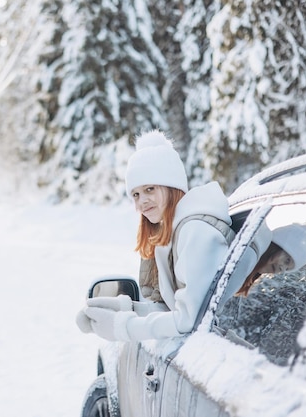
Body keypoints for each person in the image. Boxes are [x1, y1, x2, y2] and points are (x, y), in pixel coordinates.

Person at [76, 130, 233, 341]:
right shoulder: (167, 235)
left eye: (150, 189)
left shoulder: (196, 232)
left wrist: (123, 326)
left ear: (172, 187)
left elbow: (189, 321)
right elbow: (172, 311)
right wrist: (123, 309)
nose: (142, 201)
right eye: (136, 194)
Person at [234, 223, 306, 297]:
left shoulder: (245, 272)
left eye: (287, 269)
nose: (282, 269)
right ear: (276, 246)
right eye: (287, 261)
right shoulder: (242, 258)